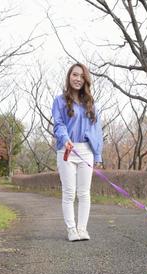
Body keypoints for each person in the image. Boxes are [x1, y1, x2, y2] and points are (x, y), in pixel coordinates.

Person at [51, 63, 103, 242]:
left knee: (84, 192)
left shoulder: (90, 103)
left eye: (81, 76)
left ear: (85, 80)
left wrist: (97, 155)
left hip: (86, 151)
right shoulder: (59, 100)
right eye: (75, 74)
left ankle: (82, 229)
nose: (78, 79)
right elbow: (58, 124)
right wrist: (65, 139)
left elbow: (97, 131)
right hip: (66, 149)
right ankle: (71, 229)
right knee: (69, 192)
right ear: (69, 76)